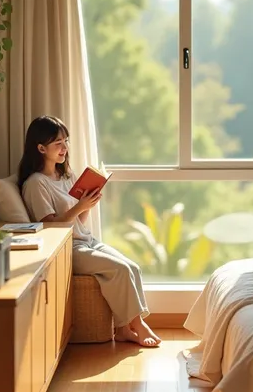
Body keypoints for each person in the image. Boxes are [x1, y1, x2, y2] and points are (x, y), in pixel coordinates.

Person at [17, 115, 161, 348]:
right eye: (58, 144)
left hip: (86, 239)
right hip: (67, 248)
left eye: (66, 141)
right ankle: (138, 325)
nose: (65, 148)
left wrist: (87, 204)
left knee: (132, 267)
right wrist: (79, 206)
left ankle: (123, 329)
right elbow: (51, 228)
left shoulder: (66, 175)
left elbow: (78, 221)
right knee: (121, 269)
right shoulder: (36, 184)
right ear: (41, 148)